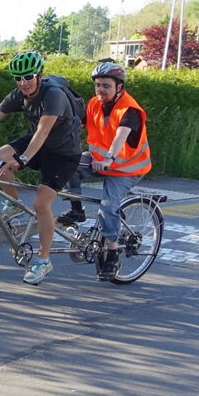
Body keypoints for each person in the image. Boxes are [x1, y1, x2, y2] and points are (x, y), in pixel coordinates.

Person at [0, 50, 83, 285]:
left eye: (28, 77)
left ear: (40, 75)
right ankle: (15, 206)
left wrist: (22, 158)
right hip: (36, 143)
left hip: (63, 153)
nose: (23, 83)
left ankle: (43, 260)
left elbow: (43, 131)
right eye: (18, 78)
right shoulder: (19, 94)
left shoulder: (53, 95)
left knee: (41, 204)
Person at [55, 61, 151, 280]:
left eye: (106, 86)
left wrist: (109, 158)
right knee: (68, 164)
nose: (100, 90)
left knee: (107, 208)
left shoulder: (130, 109)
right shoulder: (93, 104)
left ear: (119, 87)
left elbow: (120, 136)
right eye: (97, 85)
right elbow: (74, 125)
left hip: (127, 168)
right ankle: (77, 211)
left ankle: (112, 253)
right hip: (100, 161)